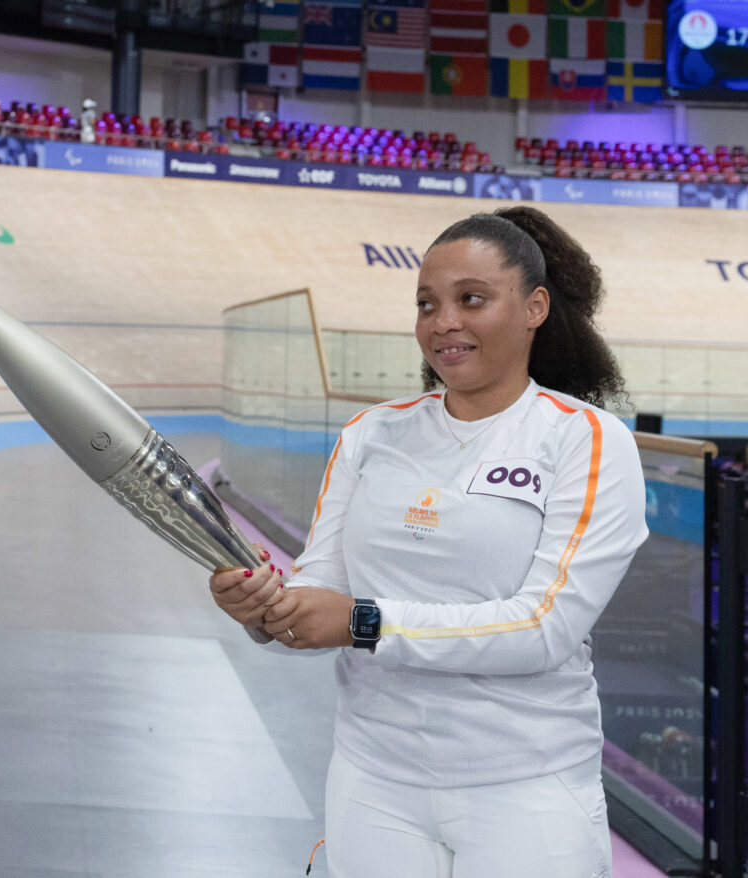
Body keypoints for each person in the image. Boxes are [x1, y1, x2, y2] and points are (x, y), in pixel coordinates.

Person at [210, 206, 647, 878]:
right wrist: (267, 610)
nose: (443, 322)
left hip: (525, 788)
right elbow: (316, 586)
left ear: (534, 307)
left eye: (471, 300)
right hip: (372, 779)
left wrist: (362, 622)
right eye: (426, 304)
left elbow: (545, 627)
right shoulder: (371, 434)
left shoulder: (585, 441)